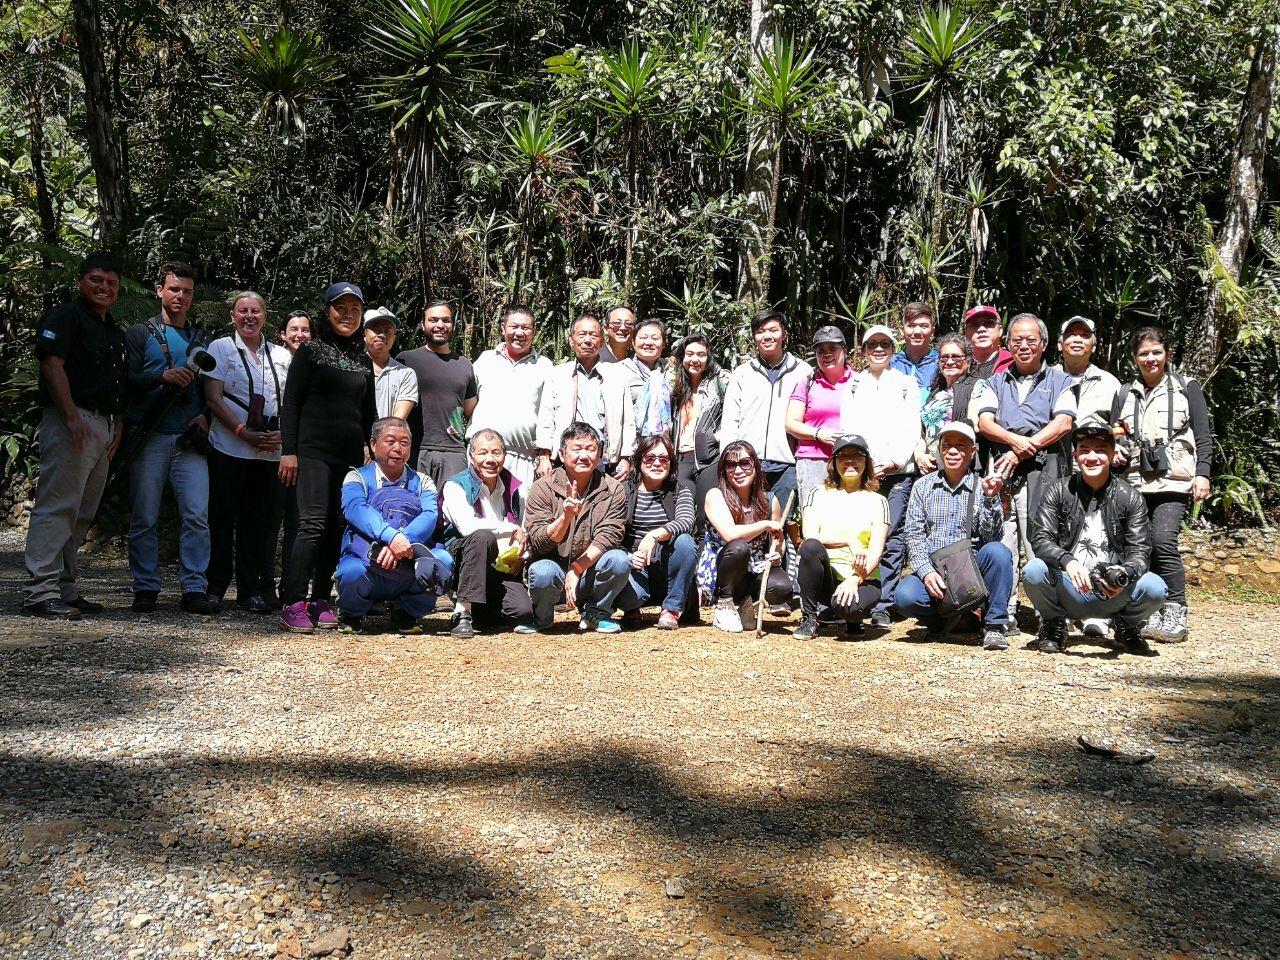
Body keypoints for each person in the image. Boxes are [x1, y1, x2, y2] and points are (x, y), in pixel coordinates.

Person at [22, 254, 127, 619]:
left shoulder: (112, 328)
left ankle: (65, 588)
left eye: (111, 282)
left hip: (103, 424)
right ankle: (40, 590)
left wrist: (118, 426)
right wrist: (70, 416)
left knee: (82, 511)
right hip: (72, 420)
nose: (104, 288)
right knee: (58, 504)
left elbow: (116, 384)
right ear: (82, 280)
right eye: (97, 280)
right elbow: (52, 364)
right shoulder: (66, 316)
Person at [277, 281, 377, 632]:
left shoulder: (363, 359)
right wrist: (289, 451)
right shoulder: (310, 352)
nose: (347, 314)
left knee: (337, 525)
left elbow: (369, 414)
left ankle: (320, 598)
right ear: (327, 311)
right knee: (312, 524)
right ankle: (292, 600)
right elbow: (291, 404)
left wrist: (373, 453)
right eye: (340, 308)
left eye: (354, 309)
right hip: (312, 451)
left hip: (348, 455)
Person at [1024, 423, 1167, 655]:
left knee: (1155, 587)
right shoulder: (1058, 491)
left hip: (1114, 590)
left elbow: (1140, 552)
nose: (1092, 457)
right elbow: (1040, 538)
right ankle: (1054, 625)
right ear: (1075, 455)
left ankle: (1126, 627)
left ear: (1112, 454)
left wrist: (1125, 574)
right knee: (1033, 570)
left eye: (1100, 450)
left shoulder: (1130, 497)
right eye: (1084, 450)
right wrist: (1067, 561)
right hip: (1070, 587)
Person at [123, 261, 216, 615]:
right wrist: (161, 378)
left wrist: (205, 416)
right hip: (149, 435)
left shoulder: (201, 339)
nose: (180, 296)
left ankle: (194, 587)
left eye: (187, 291)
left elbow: (214, 389)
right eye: (174, 289)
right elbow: (126, 383)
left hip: (189, 439)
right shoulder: (138, 334)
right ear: (160, 290)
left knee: (196, 514)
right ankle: (145, 588)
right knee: (144, 515)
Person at [1110, 327, 1212, 644]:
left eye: (1156, 352)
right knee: (1137, 546)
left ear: (1167, 354)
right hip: (1135, 481)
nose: (1150, 358)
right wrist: (1117, 456)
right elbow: (1117, 434)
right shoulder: (1124, 393)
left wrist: (1203, 473)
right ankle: (1147, 609)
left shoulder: (1186, 388)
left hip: (1175, 481)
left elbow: (1203, 435)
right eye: (1144, 353)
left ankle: (1175, 609)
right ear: (1134, 358)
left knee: (1163, 539)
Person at [975, 313, 1076, 620]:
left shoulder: (1061, 380)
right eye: (1016, 340)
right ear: (1008, 344)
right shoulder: (994, 381)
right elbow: (984, 422)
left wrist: (1021, 450)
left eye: (1031, 339)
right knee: (1003, 541)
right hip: (1002, 475)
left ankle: (1050, 616)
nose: (1024, 346)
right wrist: (1014, 440)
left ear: (1044, 344)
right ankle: (1001, 615)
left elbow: (1064, 423)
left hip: (1044, 474)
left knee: (1040, 541)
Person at [201, 291, 292, 613]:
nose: (249, 317)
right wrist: (243, 432)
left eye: (256, 311)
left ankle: (250, 589)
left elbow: (292, 402)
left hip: (268, 451)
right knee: (222, 519)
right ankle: (214, 587)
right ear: (232, 315)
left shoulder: (281, 355)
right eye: (243, 311)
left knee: (258, 522)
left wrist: (283, 435)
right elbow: (213, 397)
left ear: (265, 316)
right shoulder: (221, 349)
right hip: (229, 447)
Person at [894, 422, 1013, 649]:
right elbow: (914, 535)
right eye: (947, 445)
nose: (953, 451)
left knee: (999, 552)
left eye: (960, 446)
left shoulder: (983, 486)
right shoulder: (922, 486)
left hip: (971, 568)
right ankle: (944, 618)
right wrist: (926, 572)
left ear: (972, 451)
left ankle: (995, 626)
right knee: (905, 597)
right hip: (936, 567)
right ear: (939, 450)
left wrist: (990, 499)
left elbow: (992, 538)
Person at [332, 417, 452, 634]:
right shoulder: (355, 476)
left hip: (409, 558)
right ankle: (352, 614)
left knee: (442, 560)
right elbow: (355, 509)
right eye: (390, 441)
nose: (398, 448)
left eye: (404, 443)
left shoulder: (423, 481)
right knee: (350, 572)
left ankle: (406, 614)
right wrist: (390, 537)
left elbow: (430, 514)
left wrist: (402, 541)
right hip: (367, 558)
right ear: (372, 444)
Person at [840, 324, 921, 628]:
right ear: (862, 351)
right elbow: (850, 427)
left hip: (897, 472)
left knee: (892, 535)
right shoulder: (854, 385)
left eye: (884, 344)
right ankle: (857, 595)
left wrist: (895, 460)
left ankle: (884, 604)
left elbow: (912, 426)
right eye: (872, 344)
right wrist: (865, 463)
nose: (878, 349)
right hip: (862, 472)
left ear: (892, 350)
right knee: (859, 533)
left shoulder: (905, 383)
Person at [524, 422, 631, 633]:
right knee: (542, 571)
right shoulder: (542, 487)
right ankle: (543, 617)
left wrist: (577, 568)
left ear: (599, 456)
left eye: (591, 449)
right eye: (577, 449)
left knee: (618, 559)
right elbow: (538, 540)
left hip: (590, 574)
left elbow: (609, 537)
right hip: (553, 574)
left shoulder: (613, 489)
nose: (584, 456)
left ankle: (597, 612)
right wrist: (565, 518)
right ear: (562, 454)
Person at [439, 428, 535, 637]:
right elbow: (466, 527)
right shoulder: (456, 486)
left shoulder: (515, 487)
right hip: (463, 560)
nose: (490, 459)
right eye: (483, 453)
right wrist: (507, 528)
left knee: (523, 611)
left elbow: (523, 530)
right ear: (471, 456)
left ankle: (479, 609)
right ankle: (462, 612)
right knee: (483, 536)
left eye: (496, 453)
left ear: (504, 456)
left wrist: (522, 557)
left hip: (500, 566)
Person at [719, 309, 813, 519]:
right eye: (761, 331)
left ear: (784, 334)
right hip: (747, 463)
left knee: (783, 523)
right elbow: (730, 420)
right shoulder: (743, 373)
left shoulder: (803, 371)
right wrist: (729, 459)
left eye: (773, 330)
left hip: (787, 463)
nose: (767, 336)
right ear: (754, 337)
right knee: (747, 520)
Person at [794, 435, 888, 640]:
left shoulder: (879, 501)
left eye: (857, 455)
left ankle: (852, 619)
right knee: (810, 547)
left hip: (863, 578)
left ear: (867, 462)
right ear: (833, 462)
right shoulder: (817, 493)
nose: (850, 461)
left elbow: (875, 552)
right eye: (843, 456)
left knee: (849, 608)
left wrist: (855, 580)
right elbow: (810, 536)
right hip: (826, 576)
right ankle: (810, 617)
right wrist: (848, 541)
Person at [635, 332, 727, 532]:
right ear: (682, 357)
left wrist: (716, 439)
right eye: (690, 354)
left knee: (706, 515)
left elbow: (731, 417)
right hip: (680, 457)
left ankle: (705, 558)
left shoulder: (721, 383)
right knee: (681, 511)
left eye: (701, 355)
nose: (695, 359)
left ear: (709, 357)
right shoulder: (675, 387)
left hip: (709, 457)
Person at [700, 441, 791, 633]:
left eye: (745, 463)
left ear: (755, 466)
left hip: (755, 566)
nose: (738, 470)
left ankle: (743, 601)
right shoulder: (715, 496)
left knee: (781, 588)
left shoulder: (769, 500)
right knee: (739, 547)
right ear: (723, 470)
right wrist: (765, 524)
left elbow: (778, 540)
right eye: (731, 465)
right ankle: (724, 603)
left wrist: (777, 553)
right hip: (723, 566)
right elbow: (730, 534)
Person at [612, 435, 699, 629]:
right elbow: (611, 531)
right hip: (635, 566)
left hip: (668, 566)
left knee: (685, 541)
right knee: (631, 589)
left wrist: (653, 535)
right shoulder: (623, 491)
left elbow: (686, 521)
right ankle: (632, 607)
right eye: (650, 458)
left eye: (664, 458)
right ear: (639, 460)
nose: (657, 463)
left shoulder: (680, 490)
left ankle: (672, 609)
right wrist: (627, 556)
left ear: (671, 462)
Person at [535, 314, 631, 478]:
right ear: (571, 340)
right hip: (566, 459)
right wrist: (544, 456)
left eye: (593, 335)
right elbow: (546, 417)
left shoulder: (617, 375)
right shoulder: (557, 374)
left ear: (601, 342)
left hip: (605, 460)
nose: (588, 340)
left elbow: (628, 420)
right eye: (582, 334)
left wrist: (625, 457)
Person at [469, 305, 553, 491]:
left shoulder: (544, 366)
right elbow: (466, 401)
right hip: (481, 456)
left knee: (517, 516)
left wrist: (544, 454)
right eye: (514, 326)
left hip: (522, 457)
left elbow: (547, 413)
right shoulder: (485, 360)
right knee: (477, 513)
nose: (519, 333)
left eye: (525, 328)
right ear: (503, 329)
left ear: (534, 331)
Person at [397, 299, 478, 487]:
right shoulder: (406, 360)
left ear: (452, 325)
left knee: (453, 512)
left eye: (446, 320)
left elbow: (470, 409)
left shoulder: (464, 364)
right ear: (422, 324)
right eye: (433, 320)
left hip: (453, 452)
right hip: (414, 450)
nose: (440, 325)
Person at [786, 325, 856, 508]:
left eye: (833, 348)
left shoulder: (859, 381)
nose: (827, 354)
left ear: (845, 351)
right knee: (814, 516)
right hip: (813, 460)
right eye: (821, 350)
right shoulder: (807, 383)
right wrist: (818, 433)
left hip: (850, 459)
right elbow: (791, 424)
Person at [915, 334, 989, 474]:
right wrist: (919, 455)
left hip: (958, 466)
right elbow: (923, 432)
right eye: (944, 357)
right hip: (930, 468)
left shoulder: (977, 386)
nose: (949, 362)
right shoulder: (935, 392)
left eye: (955, 357)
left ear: (967, 360)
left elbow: (972, 425)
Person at [275, 310, 313, 579]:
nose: (299, 334)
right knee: (268, 520)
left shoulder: (318, 363)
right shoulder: (271, 361)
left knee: (297, 521)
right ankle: (262, 584)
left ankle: (291, 584)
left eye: (305, 329)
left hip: (305, 451)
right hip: (271, 449)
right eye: (294, 329)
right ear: (282, 335)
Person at [604, 317, 666, 462]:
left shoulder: (671, 372)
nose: (649, 343)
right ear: (633, 342)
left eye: (655, 338)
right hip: (628, 449)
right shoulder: (619, 371)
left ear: (663, 344)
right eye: (643, 338)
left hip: (662, 450)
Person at [1055, 316, 1120, 429]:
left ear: (1094, 347)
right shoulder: (1046, 379)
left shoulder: (1109, 383)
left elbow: (1119, 428)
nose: (1078, 340)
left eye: (1085, 335)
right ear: (1060, 345)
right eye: (1071, 334)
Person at [363, 307, 418, 420]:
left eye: (387, 331)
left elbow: (397, 420)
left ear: (394, 338)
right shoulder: (351, 368)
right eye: (376, 330)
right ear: (364, 334)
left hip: (388, 436)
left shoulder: (405, 374)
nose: (382, 335)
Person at [891, 302, 940, 403]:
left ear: (932, 331)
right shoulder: (891, 363)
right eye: (912, 326)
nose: (917, 332)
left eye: (924, 326)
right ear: (902, 330)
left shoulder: (942, 363)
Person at [963, 304, 1013, 379]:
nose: (981, 329)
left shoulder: (1013, 362)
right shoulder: (958, 366)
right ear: (965, 333)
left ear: (1000, 330)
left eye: (989, 323)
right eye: (974, 325)